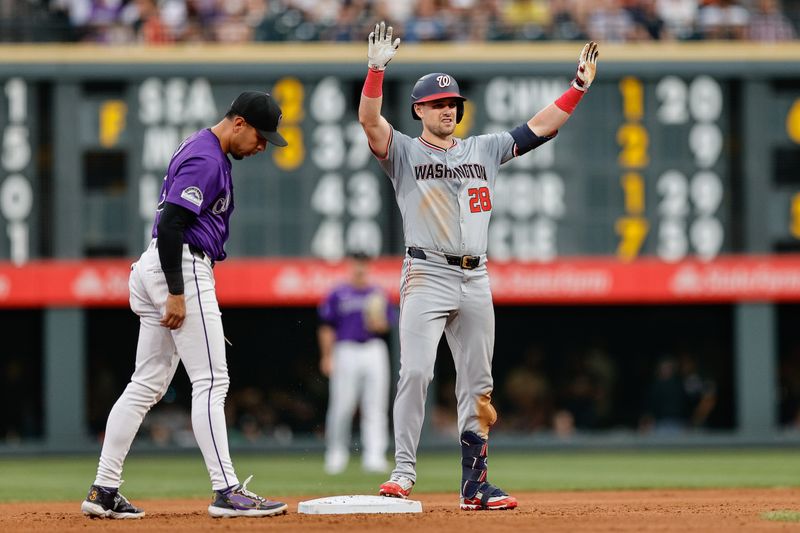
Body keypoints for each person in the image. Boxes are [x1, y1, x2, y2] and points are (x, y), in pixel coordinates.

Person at [358, 21, 598, 510]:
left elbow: (540, 127)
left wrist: (576, 89)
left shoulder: (483, 149)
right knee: (417, 373)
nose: (448, 109)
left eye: (453, 103)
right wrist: (375, 72)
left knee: (478, 386)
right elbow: (369, 121)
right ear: (419, 110)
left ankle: (474, 486)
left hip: (475, 275)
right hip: (426, 272)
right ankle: (403, 472)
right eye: (438, 104)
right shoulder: (403, 150)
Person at [81, 91, 290, 519]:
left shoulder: (203, 147)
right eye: (260, 136)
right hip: (179, 265)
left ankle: (103, 489)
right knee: (212, 381)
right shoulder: (207, 159)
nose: (262, 146)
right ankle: (227, 490)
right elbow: (173, 223)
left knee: (147, 383)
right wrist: (178, 292)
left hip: (159, 265)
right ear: (238, 123)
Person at [318, 252, 395, 475]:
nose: (360, 268)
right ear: (350, 266)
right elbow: (326, 326)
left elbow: (385, 326)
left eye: (364, 264)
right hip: (346, 349)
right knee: (342, 405)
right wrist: (326, 356)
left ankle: (374, 455)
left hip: (373, 349)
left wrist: (378, 322)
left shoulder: (377, 293)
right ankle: (336, 453)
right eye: (356, 264)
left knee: (375, 405)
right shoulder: (338, 293)